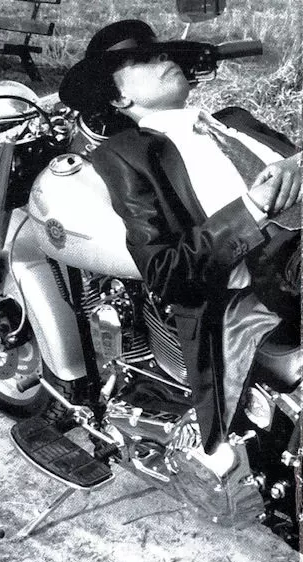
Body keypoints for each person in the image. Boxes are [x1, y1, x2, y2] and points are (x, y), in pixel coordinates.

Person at [59, 20, 302, 451]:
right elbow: (165, 271)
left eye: (163, 53)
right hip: (275, 277)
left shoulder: (236, 119)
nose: (163, 59)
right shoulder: (127, 154)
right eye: (143, 60)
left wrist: (297, 163)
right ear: (119, 98)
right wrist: (253, 207)